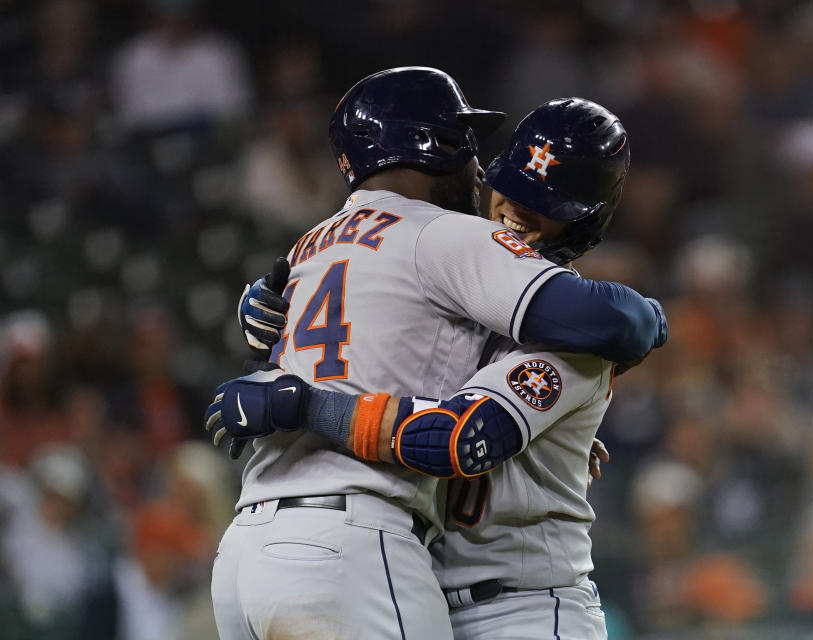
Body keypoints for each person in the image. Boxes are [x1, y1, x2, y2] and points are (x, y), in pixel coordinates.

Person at [208, 68, 664, 639]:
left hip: (526, 609)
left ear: (584, 224)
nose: (517, 212)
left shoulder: (573, 339)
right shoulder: (452, 274)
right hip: (407, 578)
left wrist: (303, 405)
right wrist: (265, 319)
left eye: (549, 205)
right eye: (514, 189)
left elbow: (460, 437)